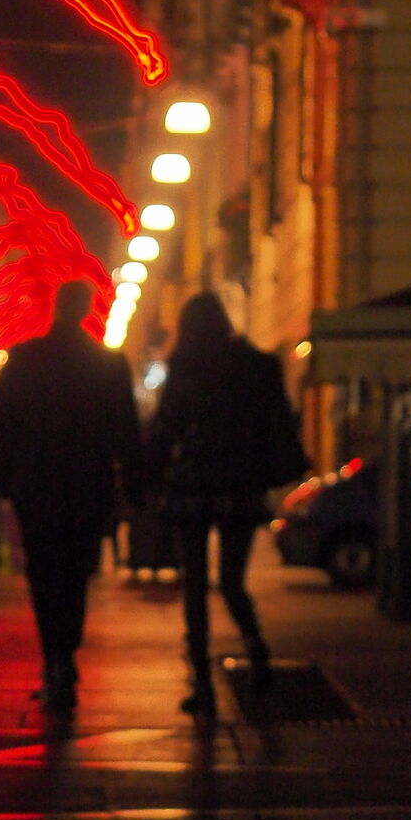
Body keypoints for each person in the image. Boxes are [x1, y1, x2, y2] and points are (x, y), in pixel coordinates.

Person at [143, 291, 305, 721]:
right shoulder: (258, 365)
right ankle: (258, 654)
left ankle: (201, 683)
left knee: (194, 586)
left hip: (194, 484)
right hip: (240, 485)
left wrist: (144, 474)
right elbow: (278, 419)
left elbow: (167, 425)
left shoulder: (185, 366)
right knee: (233, 581)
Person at [0, 277, 142, 718]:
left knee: (43, 576)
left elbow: (0, 424)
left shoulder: (25, 359)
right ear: (86, 310)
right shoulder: (108, 365)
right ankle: (65, 658)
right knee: (75, 576)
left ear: (56, 308)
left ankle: (53, 658)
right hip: (87, 487)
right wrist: (131, 485)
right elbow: (125, 431)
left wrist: (5, 481)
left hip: (36, 486)